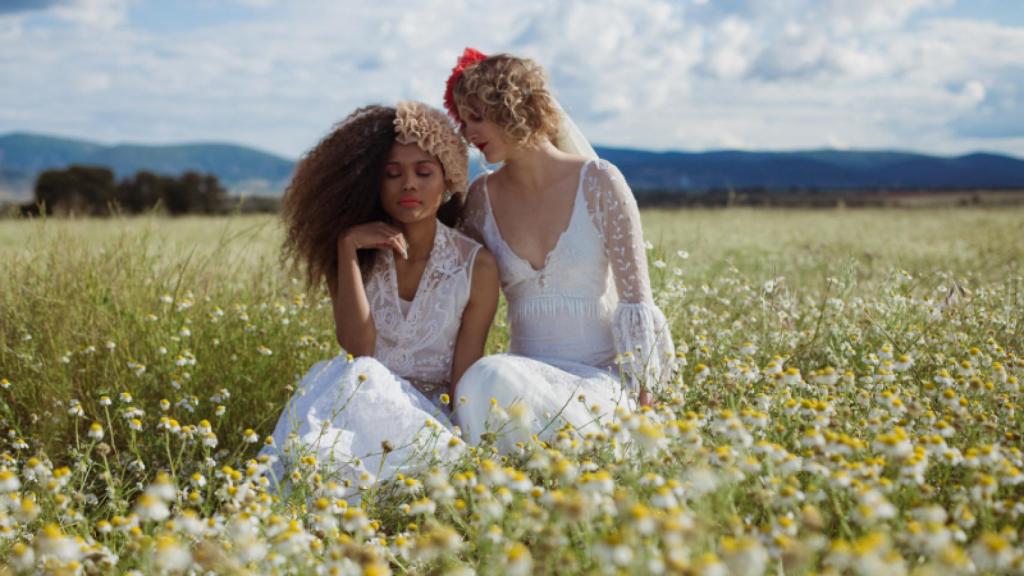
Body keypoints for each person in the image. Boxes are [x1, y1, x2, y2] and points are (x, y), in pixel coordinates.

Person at [445, 49, 676, 452]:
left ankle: (580, 453)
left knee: (492, 378)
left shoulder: (599, 182)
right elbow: (452, 286)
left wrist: (646, 405)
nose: (468, 132)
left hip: (598, 384)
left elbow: (637, 303)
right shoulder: (481, 197)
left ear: (516, 108)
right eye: (464, 120)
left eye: (477, 117)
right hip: (522, 379)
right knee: (486, 378)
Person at [261, 101, 498, 492]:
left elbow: (465, 376)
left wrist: (467, 447)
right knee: (358, 377)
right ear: (374, 183)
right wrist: (347, 247)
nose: (409, 184)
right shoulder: (356, 252)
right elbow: (359, 349)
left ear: (449, 179)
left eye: (424, 172)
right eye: (392, 174)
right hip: (356, 400)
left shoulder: (478, 266)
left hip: (424, 415)